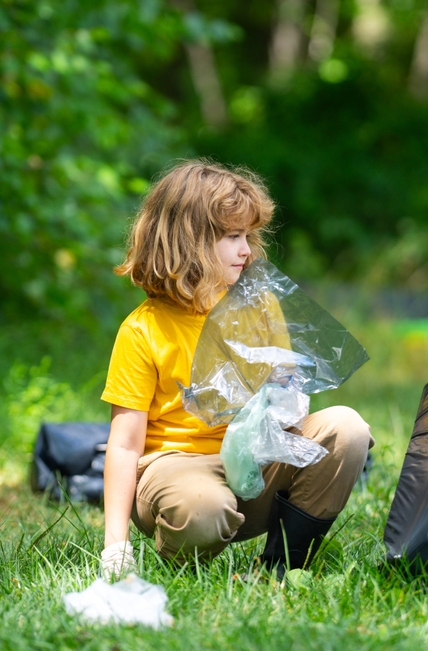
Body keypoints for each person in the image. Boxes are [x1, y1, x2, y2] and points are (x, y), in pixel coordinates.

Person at [99, 159, 374, 580]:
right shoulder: (143, 329)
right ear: (186, 240)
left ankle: (279, 568)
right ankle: (185, 559)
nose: (246, 249)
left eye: (247, 235)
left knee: (347, 428)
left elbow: (289, 402)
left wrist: (284, 405)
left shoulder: (261, 306)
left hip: (253, 463)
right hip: (177, 470)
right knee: (205, 508)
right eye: (232, 236)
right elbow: (124, 445)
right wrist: (115, 545)